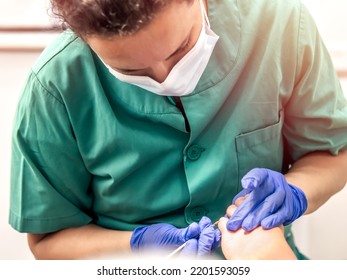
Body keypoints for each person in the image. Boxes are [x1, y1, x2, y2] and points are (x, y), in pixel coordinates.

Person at [9, 0, 347, 260]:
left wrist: (296, 191)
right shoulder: (55, 85)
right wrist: (138, 246)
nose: (165, 76)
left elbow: (332, 152)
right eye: (132, 69)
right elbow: (49, 241)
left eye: (181, 48)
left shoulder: (279, 23)